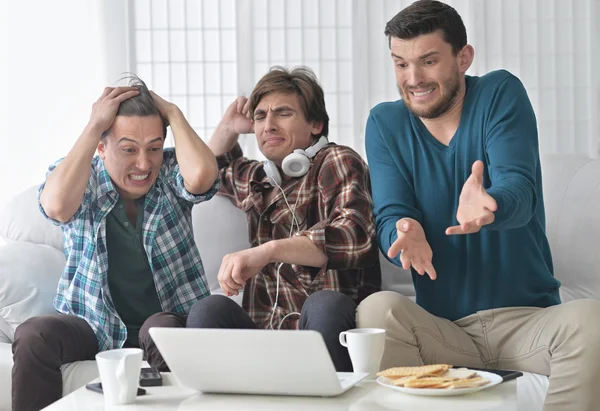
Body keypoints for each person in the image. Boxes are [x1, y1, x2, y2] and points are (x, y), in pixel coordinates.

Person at [357, 1, 600, 410]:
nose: (413, 79)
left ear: (463, 57)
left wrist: (492, 205)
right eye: (401, 64)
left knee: (592, 321)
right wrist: (401, 230)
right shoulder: (385, 123)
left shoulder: (500, 92)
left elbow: (520, 190)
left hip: (527, 323)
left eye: (428, 61)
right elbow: (388, 215)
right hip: (443, 331)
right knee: (378, 310)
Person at [12, 77, 219, 411]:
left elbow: (202, 179)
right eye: (128, 149)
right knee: (34, 335)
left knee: (159, 331)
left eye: (153, 147)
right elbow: (57, 207)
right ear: (102, 147)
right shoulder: (84, 178)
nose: (143, 163)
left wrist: (174, 114)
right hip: (93, 324)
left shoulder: (169, 173)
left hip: (164, 319)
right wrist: (95, 124)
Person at [187, 66, 381, 371]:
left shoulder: (337, 160)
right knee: (207, 310)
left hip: (325, 332)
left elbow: (355, 237)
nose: (268, 125)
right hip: (263, 338)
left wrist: (268, 251)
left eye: (283, 113)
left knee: (324, 304)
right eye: (261, 116)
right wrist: (228, 127)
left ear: (316, 124)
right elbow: (206, 172)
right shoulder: (259, 178)